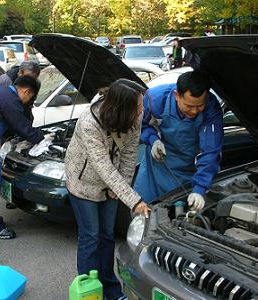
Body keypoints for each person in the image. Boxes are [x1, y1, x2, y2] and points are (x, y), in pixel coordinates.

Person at [65, 79, 151, 300]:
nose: (141, 110)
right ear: (121, 107)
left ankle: (111, 290)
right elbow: (102, 165)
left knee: (107, 235)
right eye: (138, 106)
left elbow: (130, 154)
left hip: (112, 184)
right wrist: (134, 200)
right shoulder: (89, 122)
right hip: (83, 183)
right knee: (91, 236)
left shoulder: (134, 116)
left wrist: (120, 187)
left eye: (141, 105)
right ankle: (88, 291)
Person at [134, 70, 223, 211]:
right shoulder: (155, 100)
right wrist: (153, 140)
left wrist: (200, 188)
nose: (194, 111)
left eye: (200, 106)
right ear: (176, 95)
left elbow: (211, 150)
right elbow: (139, 126)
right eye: (189, 106)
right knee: (142, 211)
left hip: (189, 170)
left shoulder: (211, 109)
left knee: (179, 212)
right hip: (156, 166)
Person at [0, 76, 49, 239]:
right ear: (26, 91)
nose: (27, 101)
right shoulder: (11, 99)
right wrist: (40, 139)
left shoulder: (1, 93)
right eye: (30, 97)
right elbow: (20, 125)